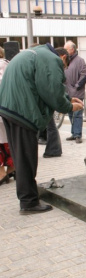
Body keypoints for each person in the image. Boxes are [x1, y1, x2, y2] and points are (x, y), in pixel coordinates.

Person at [0, 43, 84, 214]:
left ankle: (27, 196)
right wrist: (68, 106)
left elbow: (45, 84)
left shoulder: (37, 53)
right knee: (26, 158)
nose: (63, 71)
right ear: (62, 58)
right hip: (22, 111)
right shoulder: (52, 59)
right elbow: (52, 90)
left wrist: (68, 98)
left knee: (20, 156)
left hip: (10, 108)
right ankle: (28, 203)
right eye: (64, 68)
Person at [40, 47, 71, 158]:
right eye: (63, 66)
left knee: (50, 124)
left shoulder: (44, 60)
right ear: (63, 57)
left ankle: (54, 149)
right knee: (50, 125)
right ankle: (54, 149)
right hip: (42, 101)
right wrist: (69, 104)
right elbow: (55, 88)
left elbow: (53, 88)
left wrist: (69, 101)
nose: (63, 69)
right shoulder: (52, 62)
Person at [64, 40, 86, 144]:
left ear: (72, 49)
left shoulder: (80, 61)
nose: (65, 51)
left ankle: (78, 134)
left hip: (77, 92)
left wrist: (77, 86)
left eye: (66, 49)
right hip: (67, 92)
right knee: (70, 113)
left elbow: (85, 75)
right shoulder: (65, 61)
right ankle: (74, 133)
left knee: (77, 114)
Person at [0, 46, 15, 186]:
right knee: (7, 140)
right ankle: (11, 168)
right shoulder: (8, 65)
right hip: (8, 110)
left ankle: (1, 173)